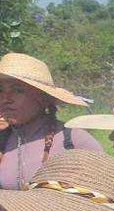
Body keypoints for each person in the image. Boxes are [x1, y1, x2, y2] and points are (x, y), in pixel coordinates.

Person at [0, 53, 102, 190]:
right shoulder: (4, 139)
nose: (6, 98)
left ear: (43, 98)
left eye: (17, 90)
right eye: (1, 90)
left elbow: (105, 197)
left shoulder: (74, 140)